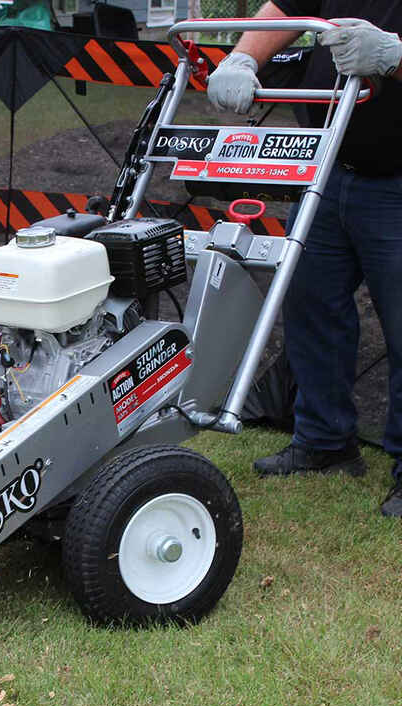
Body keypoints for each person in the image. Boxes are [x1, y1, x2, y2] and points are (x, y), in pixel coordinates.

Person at [206, 2, 402, 516]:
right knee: (309, 304)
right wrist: (241, 59)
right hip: (330, 170)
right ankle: (324, 439)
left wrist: (394, 55)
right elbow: (282, 11)